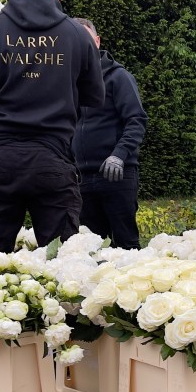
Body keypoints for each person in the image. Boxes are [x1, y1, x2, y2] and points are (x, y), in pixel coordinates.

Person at [0, 0, 104, 263]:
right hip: (54, 160)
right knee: (63, 266)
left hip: (2, 159)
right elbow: (95, 97)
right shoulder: (77, 37)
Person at [71, 18, 148, 249]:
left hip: (117, 174)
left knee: (126, 245)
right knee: (88, 249)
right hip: (82, 179)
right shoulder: (69, 82)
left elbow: (136, 119)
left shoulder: (118, 77)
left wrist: (119, 155)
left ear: (96, 41)